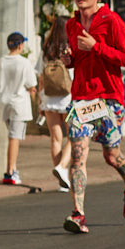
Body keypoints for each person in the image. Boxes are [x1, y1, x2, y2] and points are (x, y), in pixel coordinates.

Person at [62, 0, 125, 234]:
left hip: (109, 98)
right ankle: (78, 214)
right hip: (81, 99)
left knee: (111, 156)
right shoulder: (71, 25)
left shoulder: (112, 20)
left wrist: (96, 46)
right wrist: (69, 60)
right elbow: (79, 58)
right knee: (78, 155)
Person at [38, 19, 74, 190]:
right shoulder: (69, 47)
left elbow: (40, 75)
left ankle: (62, 179)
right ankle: (62, 167)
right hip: (67, 97)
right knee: (73, 136)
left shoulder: (46, 48)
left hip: (49, 97)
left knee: (55, 138)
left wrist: (40, 100)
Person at [0, 32, 37, 184]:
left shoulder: (1, 61)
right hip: (19, 104)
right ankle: (11, 171)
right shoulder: (24, 62)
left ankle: (11, 170)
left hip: (4, 102)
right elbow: (31, 84)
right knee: (14, 138)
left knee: (12, 135)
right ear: (20, 45)